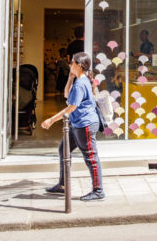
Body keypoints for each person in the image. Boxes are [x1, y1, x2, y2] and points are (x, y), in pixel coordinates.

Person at [41, 52, 105, 201]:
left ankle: (98, 190)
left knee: (91, 157)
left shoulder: (81, 83)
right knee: (64, 149)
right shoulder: (78, 81)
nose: (69, 64)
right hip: (78, 123)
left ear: (79, 65)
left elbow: (71, 107)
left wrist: (51, 120)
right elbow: (66, 95)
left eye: (72, 62)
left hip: (85, 125)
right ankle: (62, 185)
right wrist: (70, 78)